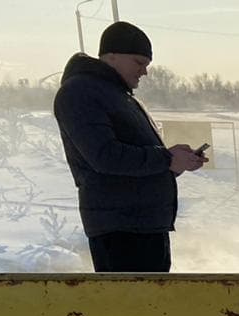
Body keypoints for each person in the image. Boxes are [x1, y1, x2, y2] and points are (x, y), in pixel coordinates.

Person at [53, 21, 206, 272]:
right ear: (111, 56)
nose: (144, 72)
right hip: (121, 230)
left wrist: (177, 162)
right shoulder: (80, 92)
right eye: (139, 62)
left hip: (143, 225)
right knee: (132, 308)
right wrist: (166, 160)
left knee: (152, 307)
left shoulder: (118, 95)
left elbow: (135, 161)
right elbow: (105, 156)